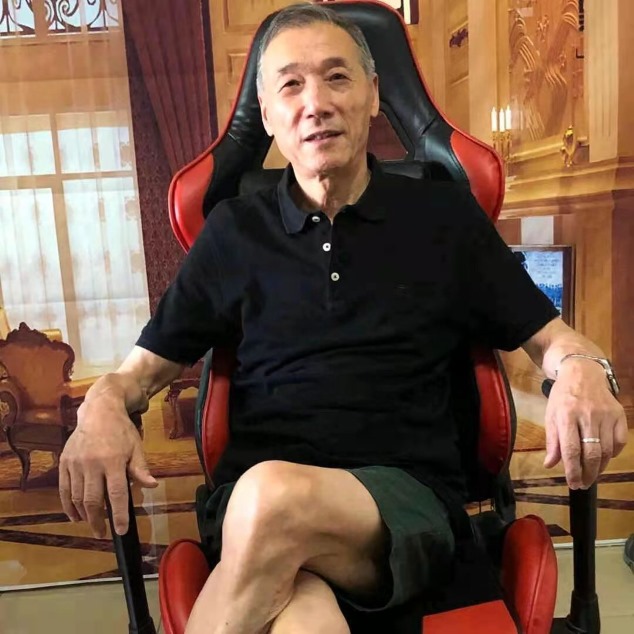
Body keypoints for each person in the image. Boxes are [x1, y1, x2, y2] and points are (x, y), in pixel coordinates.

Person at [59, 4, 627, 633]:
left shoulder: (444, 217)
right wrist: (101, 404)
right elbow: (139, 373)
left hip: (403, 511)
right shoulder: (232, 232)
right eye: (291, 85)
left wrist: (582, 368)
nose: (315, 104)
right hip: (254, 522)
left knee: (274, 498)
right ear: (267, 114)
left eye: (337, 77)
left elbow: (552, 338)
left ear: (373, 94)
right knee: (304, 616)